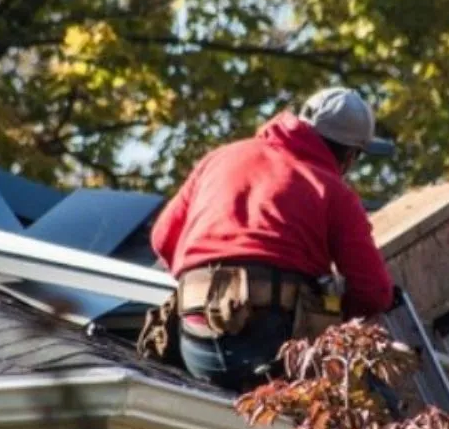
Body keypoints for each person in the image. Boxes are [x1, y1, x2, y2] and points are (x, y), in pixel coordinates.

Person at [149, 86, 396, 392]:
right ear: (349, 156)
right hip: (268, 348)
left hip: (196, 341)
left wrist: (211, 277)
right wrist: (333, 309)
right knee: (372, 403)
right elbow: (374, 292)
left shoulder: (220, 159)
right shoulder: (332, 190)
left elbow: (162, 239)